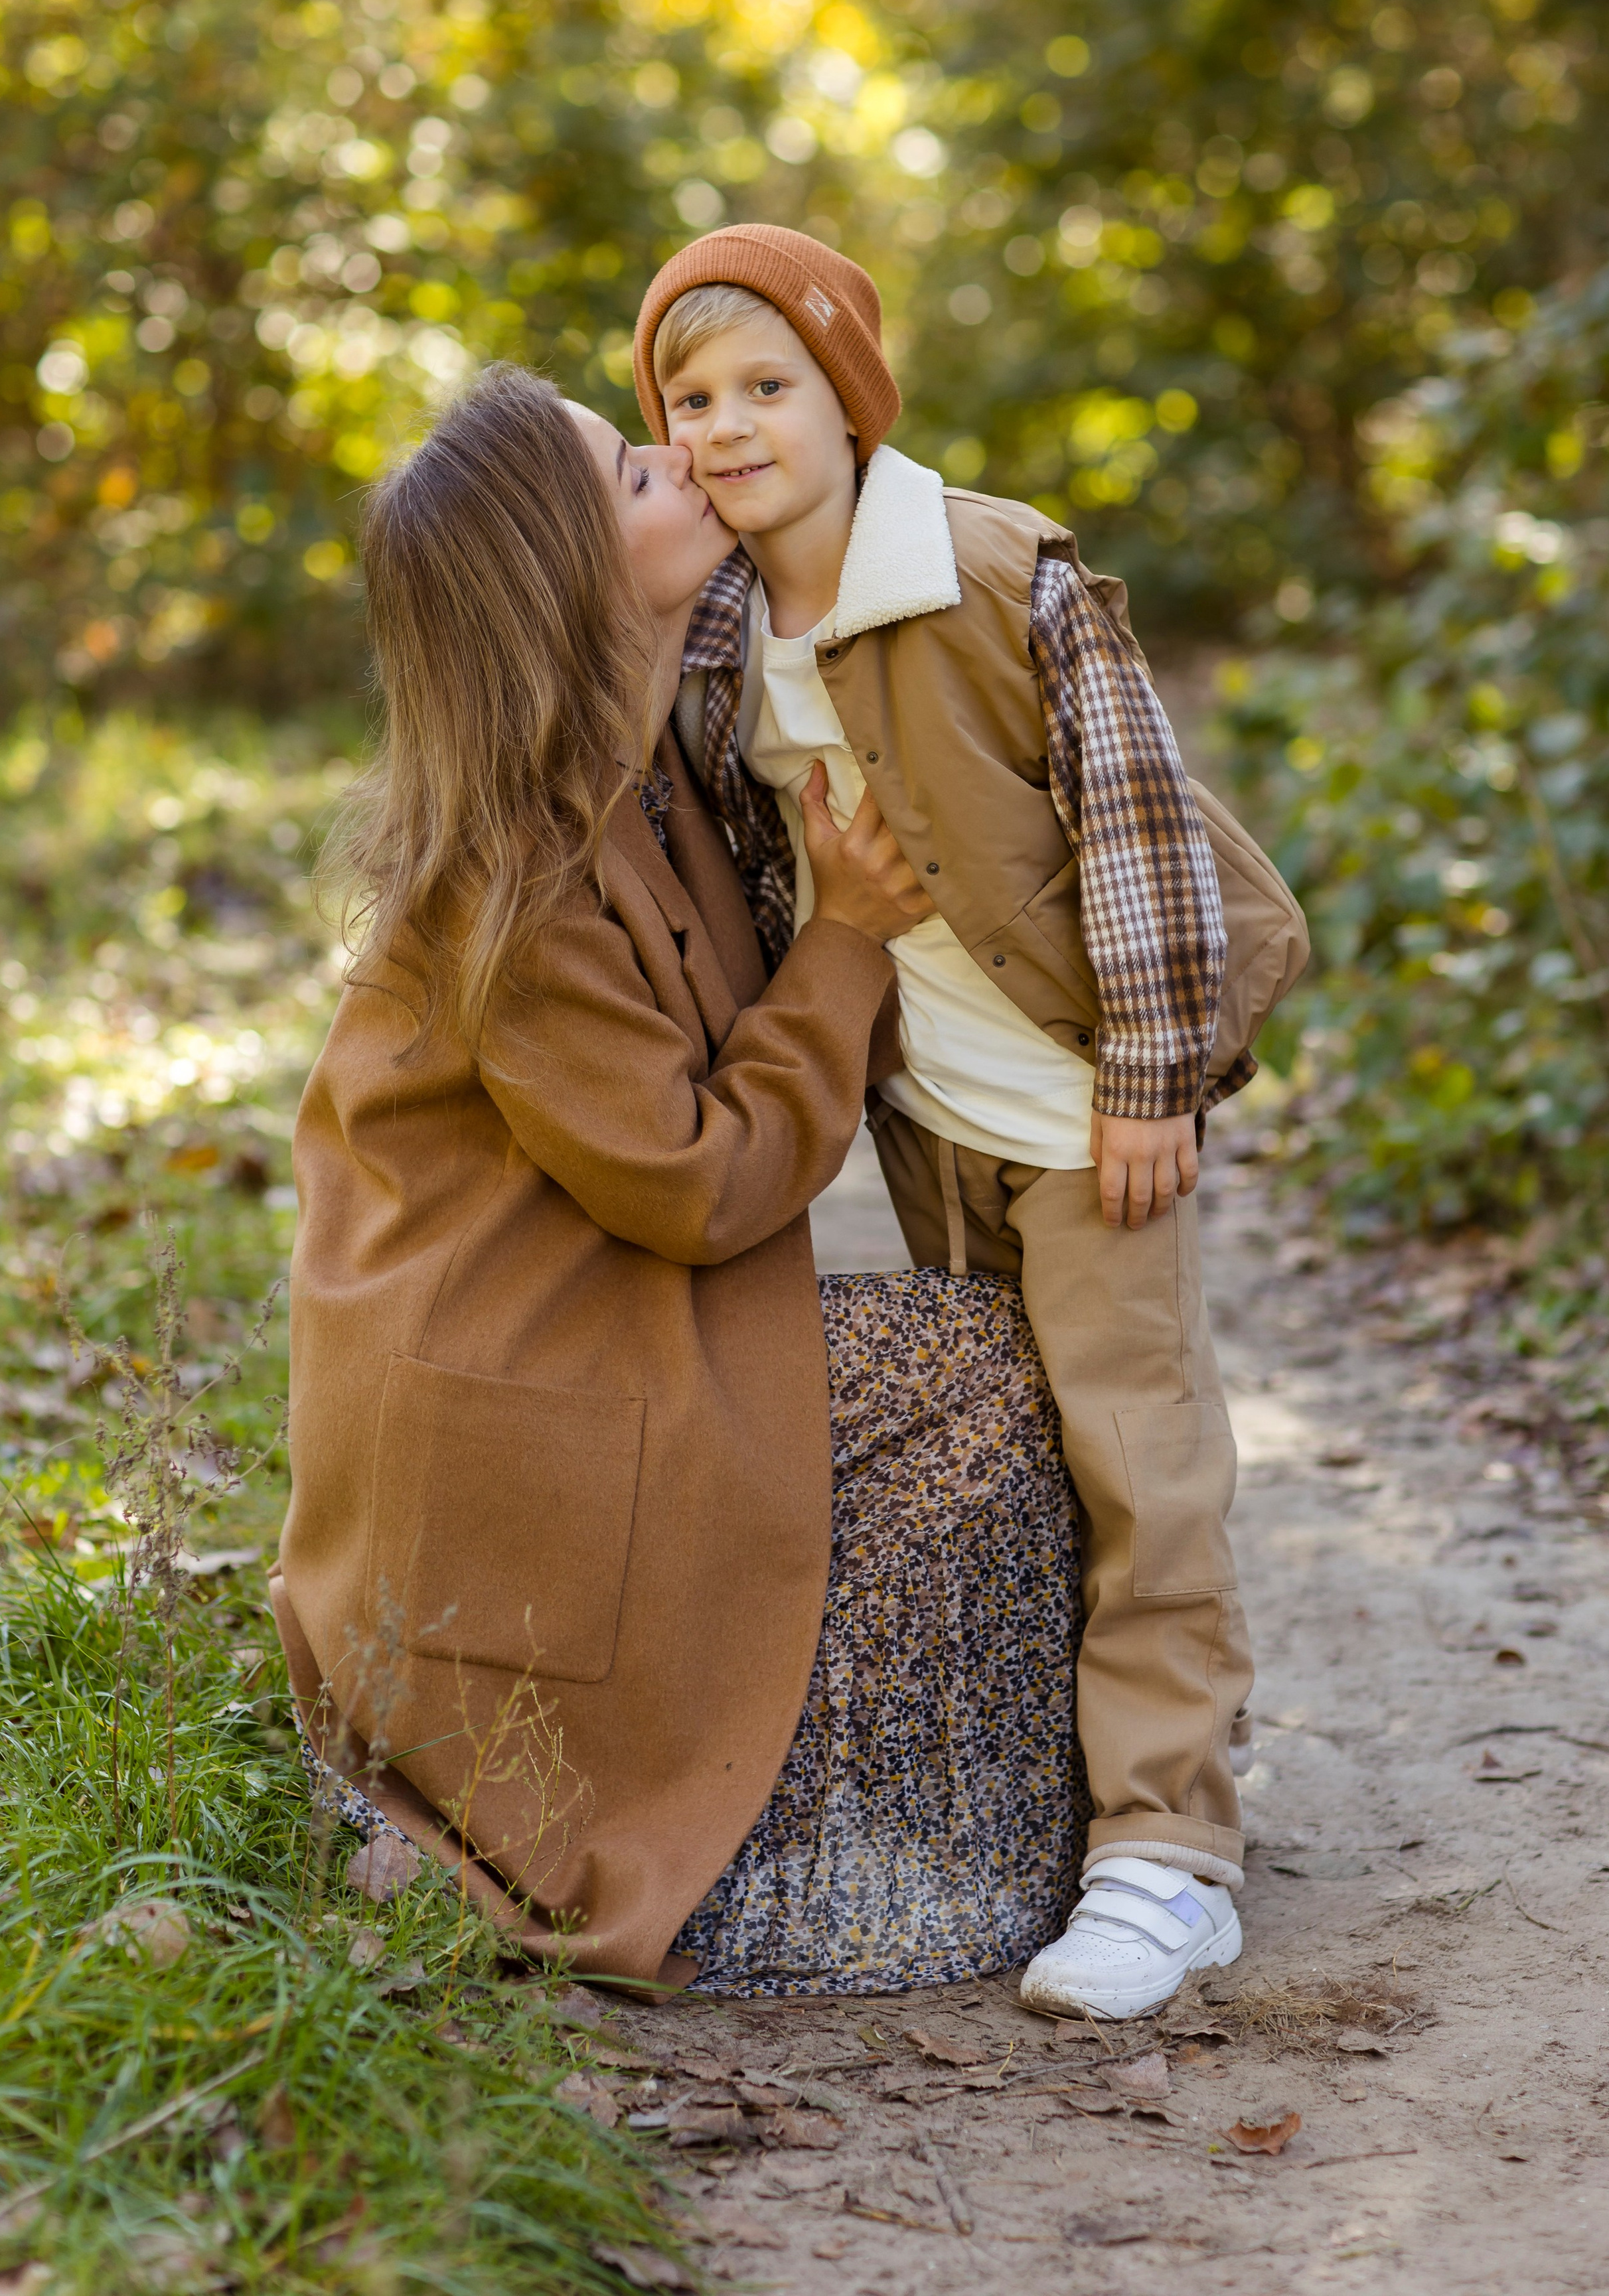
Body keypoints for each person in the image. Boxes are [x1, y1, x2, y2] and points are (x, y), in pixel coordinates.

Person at [271, 362, 1089, 1996]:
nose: (678, 456)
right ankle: (845, 1866)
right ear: (564, 587)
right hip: (511, 1393)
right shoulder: (510, 872)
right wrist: (848, 937)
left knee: (970, 1357)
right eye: (629, 473)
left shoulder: (640, 778)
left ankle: (874, 1795)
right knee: (978, 1375)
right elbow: (703, 1189)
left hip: (574, 1332)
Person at [633, 226, 1308, 2019]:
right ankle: (1083, 1791)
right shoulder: (719, 634)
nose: (724, 426)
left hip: (1090, 1121)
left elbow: (1136, 822)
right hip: (936, 1124)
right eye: (688, 399)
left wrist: (1151, 1075)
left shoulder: (1000, 571)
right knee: (1021, 1448)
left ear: (851, 399)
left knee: (1139, 1466)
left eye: (766, 386)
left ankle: (1171, 1859)